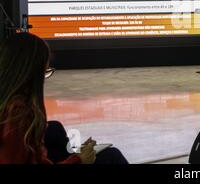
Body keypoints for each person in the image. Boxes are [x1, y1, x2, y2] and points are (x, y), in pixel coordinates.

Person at [0, 33, 128, 164]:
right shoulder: (18, 114)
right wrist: (78, 160)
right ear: (31, 75)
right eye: (44, 72)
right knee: (112, 156)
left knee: (54, 128)